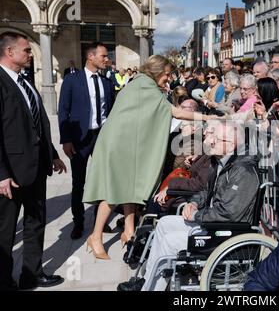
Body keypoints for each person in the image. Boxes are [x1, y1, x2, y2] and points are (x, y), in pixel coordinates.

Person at [81, 55, 213, 260]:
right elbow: (175, 112)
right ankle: (96, 236)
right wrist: (206, 117)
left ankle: (129, 231)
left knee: (129, 187)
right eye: (166, 74)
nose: (168, 79)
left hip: (124, 143)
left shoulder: (142, 84)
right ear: (157, 70)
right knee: (113, 190)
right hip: (119, 145)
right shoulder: (145, 86)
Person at [140, 120, 260, 291]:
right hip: (212, 222)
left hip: (226, 232)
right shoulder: (221, 162)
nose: (210, 141)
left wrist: (197, 215)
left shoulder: (243, 172)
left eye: (216, 139)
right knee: (165, 223)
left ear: (231, 144)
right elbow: (206, 191)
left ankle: (152, 288)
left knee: (170, 240)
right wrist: (195, 203)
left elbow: (229, 214)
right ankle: (147, 281)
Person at [0, 31, 67, 290]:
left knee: (35, 222)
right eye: (27, 50)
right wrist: (1, 173)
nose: (30, 54)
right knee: (5, 233)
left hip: (35, 168)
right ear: (9, 52)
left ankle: (31, 273)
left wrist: (51, 154)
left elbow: (34, 125)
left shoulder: (25, 82)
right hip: (10, 175)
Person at [58, 42, 115, 240]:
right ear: (91, 57)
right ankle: (78, 222)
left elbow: (112, 112)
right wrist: (66, 140)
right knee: (78, 182)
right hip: (80, 138)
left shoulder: (107, 82)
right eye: (104, 56)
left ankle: (100, 220)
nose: (107, 59)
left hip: (102, 137)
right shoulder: (72, 80)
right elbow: (63, 111)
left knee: (103, 181)